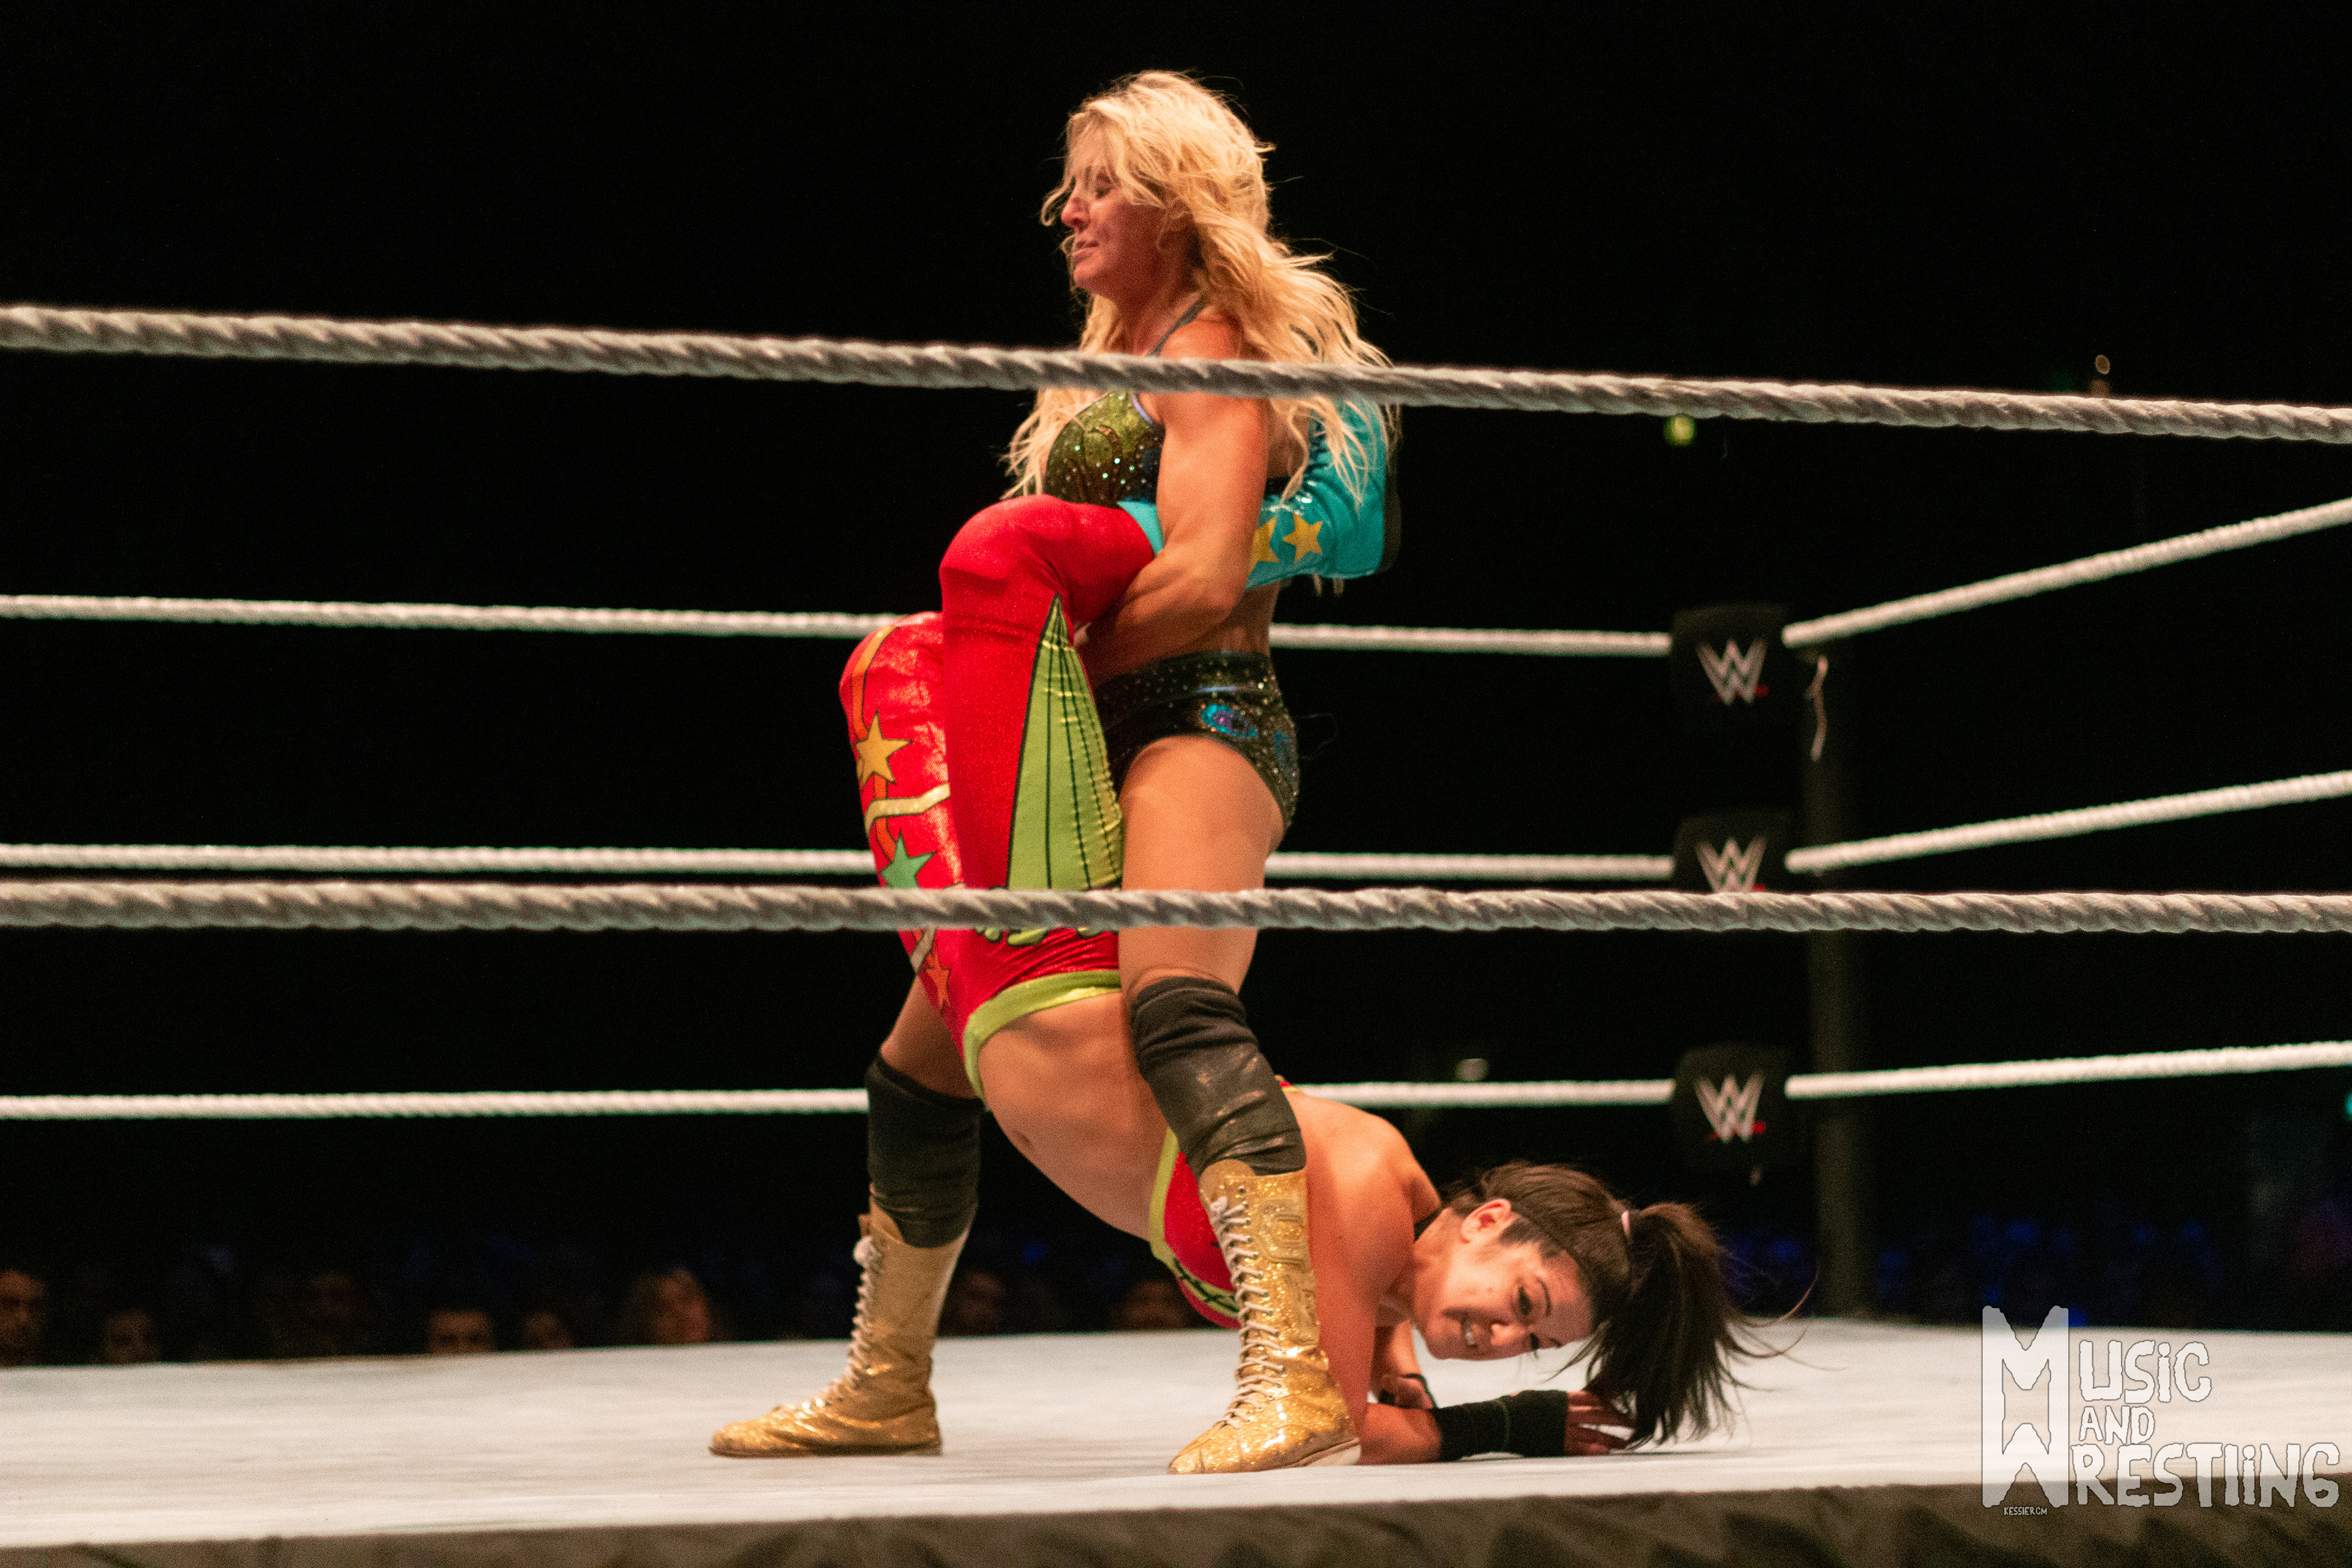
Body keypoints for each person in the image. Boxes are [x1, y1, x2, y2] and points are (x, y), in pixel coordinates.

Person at [714, 71, 1396, 1473]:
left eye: (1099, 184)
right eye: (1068, 183)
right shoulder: (1114, 358)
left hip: (1200, 719)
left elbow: (1208, 574)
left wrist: (1045, 668)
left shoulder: (1215, 344)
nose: (1068, 208)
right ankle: (887, 1381)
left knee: (1178, 1009)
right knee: (920, 1062)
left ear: (1175, 198)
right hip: (1081, 732)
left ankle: (1294, 1373)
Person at [716, 618, 1774, 1467]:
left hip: (1003, 1004)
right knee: (907, 664)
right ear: (1488, 1219)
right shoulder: (1363, 1186)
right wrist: (1506, 1430)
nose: (1506, 1346)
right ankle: (887, 1387)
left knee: (913, 1086)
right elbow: (1337, 1428)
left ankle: (890, 1388)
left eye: (1538, 1349)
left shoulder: (1394, 1216)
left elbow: (1374, 1294)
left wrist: (1401, 1357)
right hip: (1036, 971)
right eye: (1525, 1307)